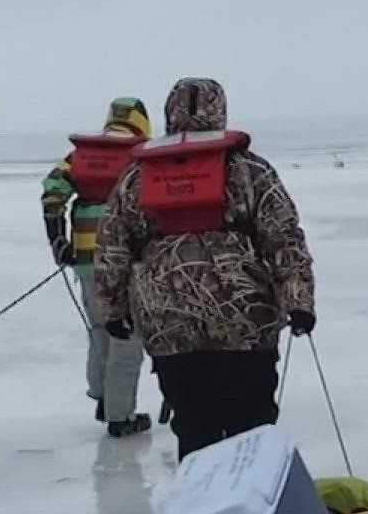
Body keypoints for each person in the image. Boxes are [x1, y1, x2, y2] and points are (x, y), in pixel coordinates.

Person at [94, 78, 317, 458]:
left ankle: (202, 507)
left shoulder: (136, 177)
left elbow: (112, 245)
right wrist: (299, 301)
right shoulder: (251, 170)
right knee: (253, 428)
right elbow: (284, 238)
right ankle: (250, 506)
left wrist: (113, 309)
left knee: (195, 430)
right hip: (245, 320)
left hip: (168, 321)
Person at [41, 97, 153, 437]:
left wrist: (58, 240)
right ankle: (121, 417)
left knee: (100, 328)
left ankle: (104, 398)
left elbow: (52, 193)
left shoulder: (81, 156)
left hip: (86, 258)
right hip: (127, 259)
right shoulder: (140, 155)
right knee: (127, 336)